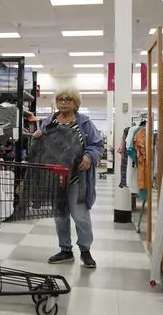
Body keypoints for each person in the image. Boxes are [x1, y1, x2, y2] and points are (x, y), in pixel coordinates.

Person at [33, 87, 104, 268]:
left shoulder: (85, 123)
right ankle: (65, 250)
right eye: (60, 99)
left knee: (80, 216)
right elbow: (39, 149)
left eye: (68, 99)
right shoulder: (48, 122)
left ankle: (85, 251)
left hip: (77, 179)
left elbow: (97, 145)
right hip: (55, 178)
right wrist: (36, 138)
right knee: (60, 216)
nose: (63, 102)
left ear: (75, 103)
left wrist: (89, 156)